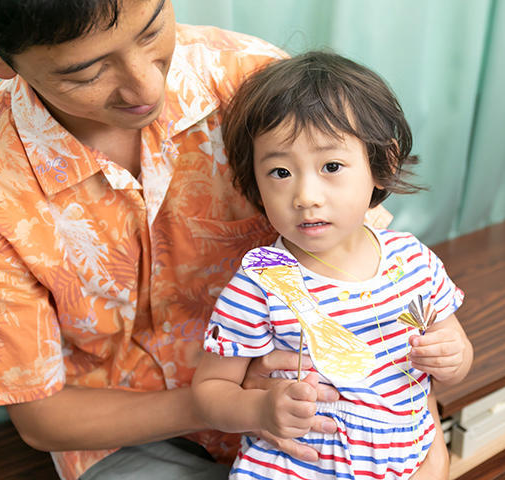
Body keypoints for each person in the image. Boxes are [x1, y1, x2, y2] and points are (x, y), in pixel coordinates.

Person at [0, 1, 472, 479]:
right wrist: (237, 405)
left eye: (152, 30)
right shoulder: (3, 187)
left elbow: (377, 292)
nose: (145, 86)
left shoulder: (253, 82)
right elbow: (41, 417)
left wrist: (419, 440)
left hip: (330, 427)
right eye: (85, 72)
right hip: (119, 435)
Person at [191, 51, 473, 479]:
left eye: (332, 166)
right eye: (281, 172)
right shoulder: (260, 282)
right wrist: (260, 407)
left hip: (405, 464)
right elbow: (210, 392)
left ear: (383, 163)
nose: (306, 195)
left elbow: (453, 345)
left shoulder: (412, 260)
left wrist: (454, 357)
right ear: (256, 181)